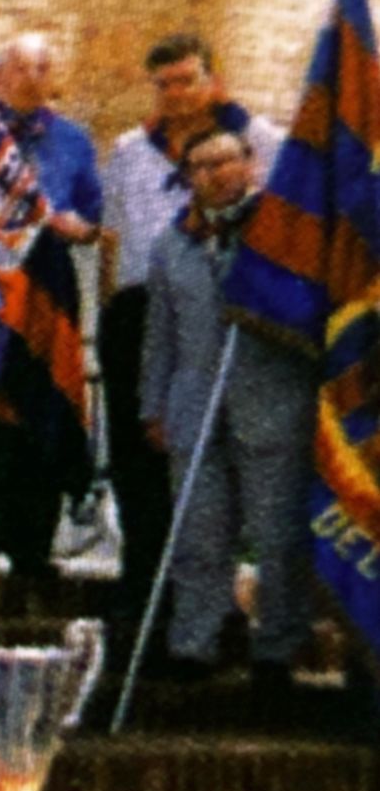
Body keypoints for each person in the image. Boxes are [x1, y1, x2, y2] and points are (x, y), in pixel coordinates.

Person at [99, 34, 283, 636]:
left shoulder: (259, 139)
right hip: (140, 310)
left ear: (213, 79)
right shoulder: (130, 149)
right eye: (164, 84)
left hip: (222, 307)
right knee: (140, 457)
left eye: (187, 80)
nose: (175, 94)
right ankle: (143, 590)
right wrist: (110, 317)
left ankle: (217, 604)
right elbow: (112, 241)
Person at [139, 129, 316, 698]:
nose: (214, 174)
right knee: (198, 533)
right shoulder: (173, 244)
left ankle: (277, 648)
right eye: (200, 166)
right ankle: (195, 642)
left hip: (269, 399)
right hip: (193, 404)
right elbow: (160, 335)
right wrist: (153, 405)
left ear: (250, 163)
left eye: (224, 161)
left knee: (276, 534)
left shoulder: (280, 236)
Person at [0, 34, 101, 607]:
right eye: (21, 67)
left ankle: (32, 551)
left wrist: (76, 227)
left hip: (43, 290)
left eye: (43, 68)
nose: (33, 77)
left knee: (39, 415)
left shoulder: (74, 140)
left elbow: (92, 217)